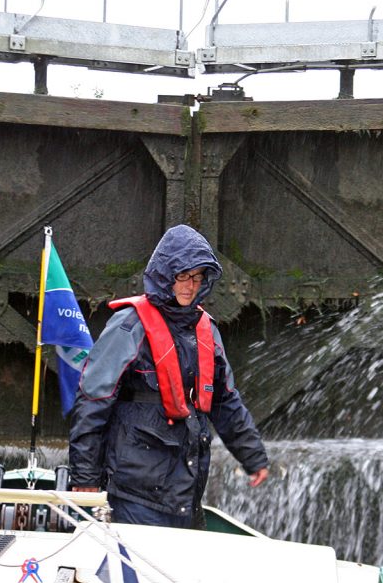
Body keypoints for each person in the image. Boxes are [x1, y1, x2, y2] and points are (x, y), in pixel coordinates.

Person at [68, 225, 269, 528]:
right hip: (136, 492)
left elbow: (225, 400)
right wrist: (85, 477)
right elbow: (93, 401)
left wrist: (252, 456)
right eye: (183, 276)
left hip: (186, 489)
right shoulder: (129, 324)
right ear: (165, 275)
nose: (190, 286)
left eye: (198, 276)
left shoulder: (206, 329)